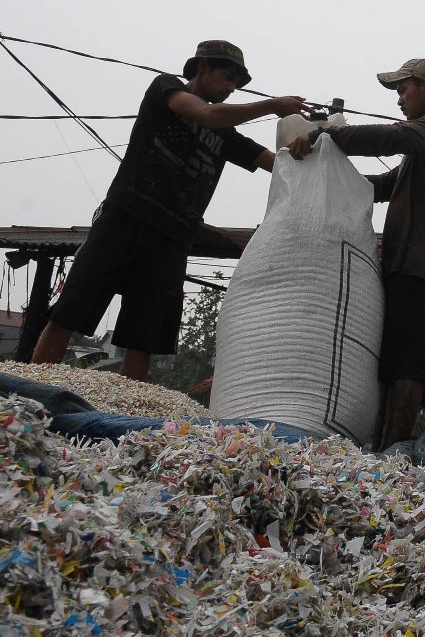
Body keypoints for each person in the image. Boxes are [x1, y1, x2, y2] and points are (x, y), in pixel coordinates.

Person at [31, 40, 311, 381]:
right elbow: (205, 115)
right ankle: (35, 391)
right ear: (203, 67)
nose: (231, 87)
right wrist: (273, 105)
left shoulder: (227, 135)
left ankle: (126, 419)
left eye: (237, 82)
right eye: (228, 76)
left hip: (174, 236)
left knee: (143, 337)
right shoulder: (167, 88)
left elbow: (277, 164)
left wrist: (311, 146)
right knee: (70, 312)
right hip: (127, 215)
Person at [287, 58, 425, 451]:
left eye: (403, 89)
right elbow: (381, 185)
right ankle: (383, 447)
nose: (400, 99)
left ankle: (394, 454)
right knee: (392, 365)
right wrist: (325, 171)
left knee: (407, 367)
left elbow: (390, 137)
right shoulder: (417, 154)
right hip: (402, 265)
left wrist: (324, 133)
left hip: (419, 268)